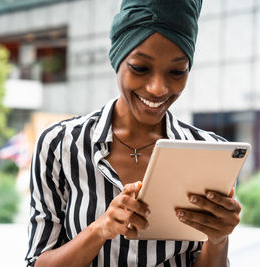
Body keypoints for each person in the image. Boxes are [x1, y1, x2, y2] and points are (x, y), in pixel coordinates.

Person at [25, 0, 241, 266]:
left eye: (177, 71)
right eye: (140, 68)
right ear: (118, 59)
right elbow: (37, 261)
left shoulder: (208, 151)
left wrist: (218, 239)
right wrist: (100, 229)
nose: (158, 88)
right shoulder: (60, 144)